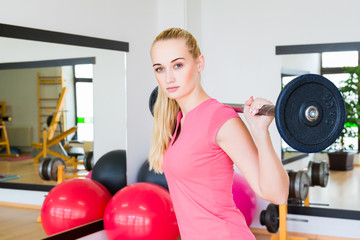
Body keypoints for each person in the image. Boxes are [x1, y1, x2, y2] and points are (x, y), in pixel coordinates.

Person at [148, 28, 289, 240]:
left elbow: (277, 193)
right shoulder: (177, 121)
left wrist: (260, 132)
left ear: (199, 63)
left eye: (178, 65)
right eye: (160, 69)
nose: (169, 78)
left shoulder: (219, 119)